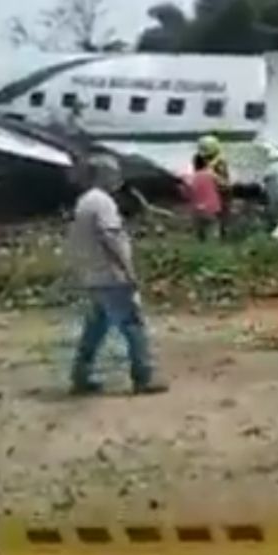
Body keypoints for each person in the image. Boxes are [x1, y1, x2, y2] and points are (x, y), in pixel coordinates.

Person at [68, 155, 167, 396]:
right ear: (103, 175)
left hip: (94, 274)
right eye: (114, 174)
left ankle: (81, 375)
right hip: (111, 276)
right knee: (133, 324)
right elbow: (110, 236)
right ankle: (143, 376)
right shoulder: (103, 202)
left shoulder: (85, 201)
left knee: (96, 327)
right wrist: (127, 270)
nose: (118, 178)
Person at [182, 154, 222, 241]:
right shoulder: (212, 175)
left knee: (200, 234)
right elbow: (222, 187)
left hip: (197, 211)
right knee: (214, 231)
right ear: (205, 164)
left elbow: (186, 195)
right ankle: (214, 243)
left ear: (194, 165)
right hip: (212, 210)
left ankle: (202, 241)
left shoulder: (191, 178)